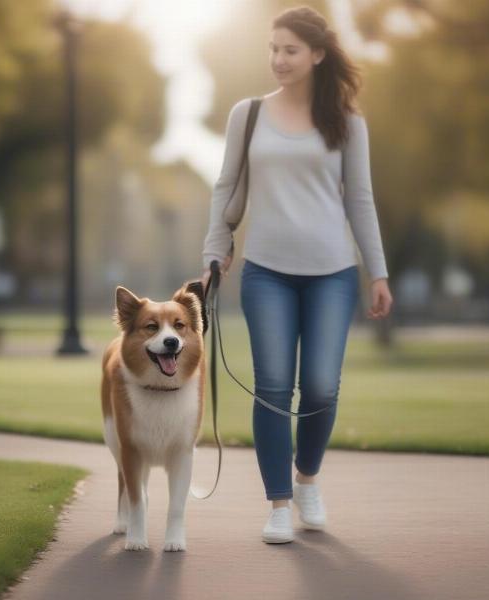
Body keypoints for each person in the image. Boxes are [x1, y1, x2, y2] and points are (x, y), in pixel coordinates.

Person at [200, 6, 393, 544]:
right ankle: (279, 503)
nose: (278, 59)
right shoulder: (249, 114)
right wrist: (216, 249)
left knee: (321, 388)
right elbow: (226, 185)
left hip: (333, 273)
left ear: (317, 54)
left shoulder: (349, 124)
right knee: (272, 388)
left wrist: (377, 272)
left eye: (289, 50)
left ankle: (307, 478)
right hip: (266, 272)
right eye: (273, 49)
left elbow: (360, 200)